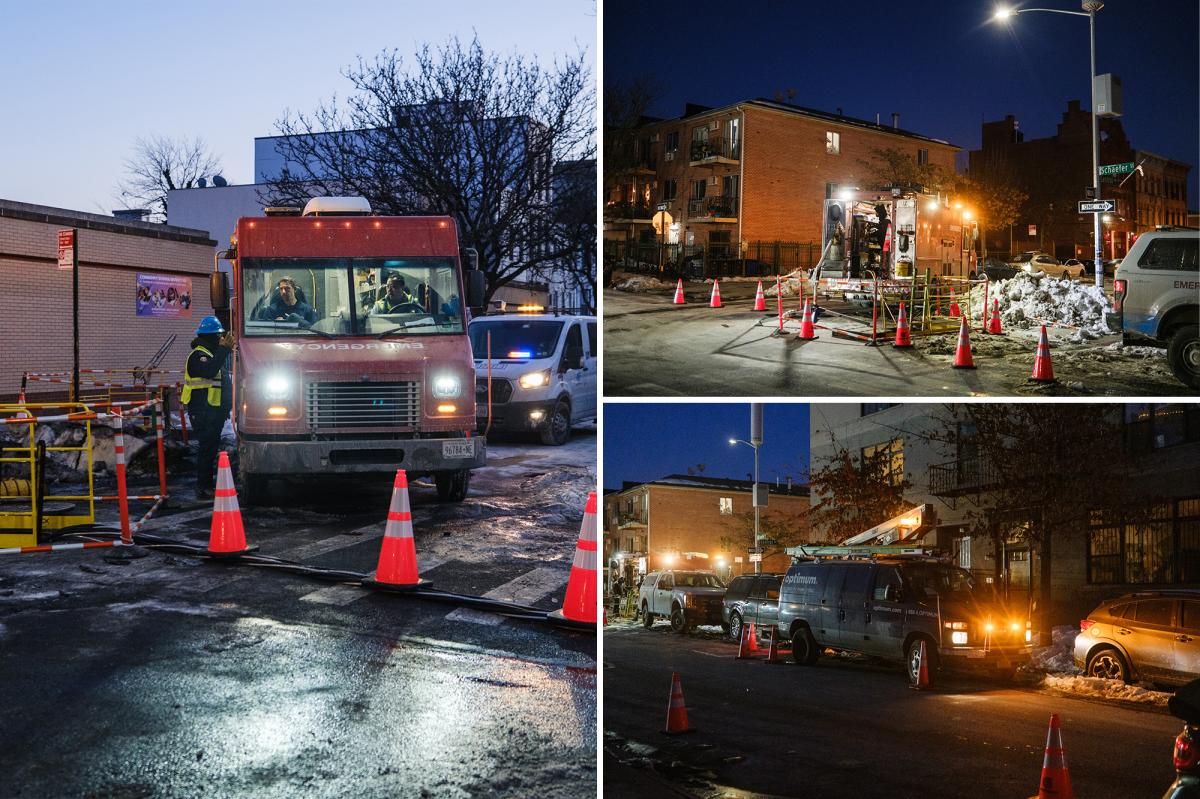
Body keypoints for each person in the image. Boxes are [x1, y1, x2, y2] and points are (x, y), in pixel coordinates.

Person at [183, 316, 234, 499]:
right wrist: (223, 350)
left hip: (212, 412)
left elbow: (219, 384)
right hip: (203, 413)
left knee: (210, 449)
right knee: (206, 450)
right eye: (218, 336)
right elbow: (209, 371)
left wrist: (224, 408)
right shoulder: (199, 356)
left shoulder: (211, 355)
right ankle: (203, 487)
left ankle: (206, 485)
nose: (221, 339)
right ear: (210, 336)